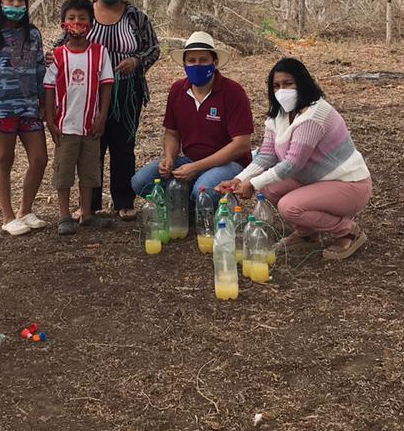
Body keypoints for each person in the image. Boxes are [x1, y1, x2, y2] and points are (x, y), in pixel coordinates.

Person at [219, 58, 372, 260]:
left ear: (302, 82)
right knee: (268, 188)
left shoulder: (314, 114)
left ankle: (348, 232)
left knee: (289, 207)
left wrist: (253, 184)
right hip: (315, 179)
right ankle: (307, 234)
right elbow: (267, 155)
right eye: (276, 86)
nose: (281, 91)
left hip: (349, 184)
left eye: (288, 84)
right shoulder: (279, 115)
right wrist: (240, 179)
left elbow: (292, 164)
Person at [79, 0, 160, 221]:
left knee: (123, 146)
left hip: (127, 92)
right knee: (92, 146)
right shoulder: (83, 14)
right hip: (89, 92)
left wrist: (136, 61)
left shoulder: (136, 17)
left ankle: (123, 200)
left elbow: (153, 48)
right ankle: (90, 203)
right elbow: (63, 44)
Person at [131, 31, 253, 200]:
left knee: (203, 191)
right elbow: (172, 133)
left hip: (229, 164)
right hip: (190, 160)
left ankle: (208, 203)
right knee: (141, 181)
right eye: (191, 60)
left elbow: (241, 145)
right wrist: (170, 158)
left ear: (215, 62)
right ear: (184, 64)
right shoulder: (178, 90)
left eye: (203, 60)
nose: (197, 65)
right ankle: (182, 206)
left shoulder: (233, 92)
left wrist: (197, 167)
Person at [0, 0, 50, 236]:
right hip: (1, 107)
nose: (16, 4)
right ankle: (7, 216)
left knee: (40, 158)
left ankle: (25, 211)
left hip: (29, 107)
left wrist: (44, 103)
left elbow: (40, 69)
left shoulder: (33, 34)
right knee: (4, 158)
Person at [44, 0, 114, 235]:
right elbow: (49, 88)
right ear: (63, 24)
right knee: (63, 172)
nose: (77, 23)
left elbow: (106, 85)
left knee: (89, 171)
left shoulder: (100, 53)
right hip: (65, 126)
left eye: (82, 18)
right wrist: (50, 120)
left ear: (91, 24)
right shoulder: (56, 56)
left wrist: (102, 117)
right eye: (71, 18)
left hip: (90, 126)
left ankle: (86, 213)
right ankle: (64, 215)